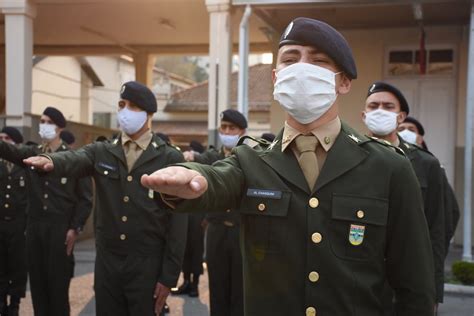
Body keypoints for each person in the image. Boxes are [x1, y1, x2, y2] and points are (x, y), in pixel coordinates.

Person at [139, 18, 435, 315]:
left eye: (318, 61)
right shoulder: (252, 159)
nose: (302, 69)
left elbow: (415, 288)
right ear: (276, 77)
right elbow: (219, 177)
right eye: (291, 60)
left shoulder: (388, 167)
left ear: (343, 82)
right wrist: (194, 178)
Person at [24, 81, 187, 316]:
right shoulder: (103, 150)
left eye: (132, 106)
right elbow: (76, 158)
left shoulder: (168, 157)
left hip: (146, 263)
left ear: (148, 114)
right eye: (121, 104)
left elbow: (177, 224)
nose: (124, 111)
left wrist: (168, 276)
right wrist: (53, 161)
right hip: (108, 262)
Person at [0, 107, 93, 316]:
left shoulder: (72, 158)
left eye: (48, 121)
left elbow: (85, 199)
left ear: (59, 127)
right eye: (41, 120)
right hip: (35, 229)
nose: (43, 124)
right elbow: (9, 150)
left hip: (60, 229)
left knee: (58, 289)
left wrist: (75, 228)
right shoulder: (33, 153)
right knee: (38, 288)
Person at [362, 81, 446, 308]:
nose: (380, 111)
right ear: (363, 115)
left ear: (401, 117)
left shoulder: (426, 163)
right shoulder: (350, 157)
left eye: (388, 106)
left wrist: (433, 291)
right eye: (373, 106)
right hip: (360, 278)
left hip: (407, 277)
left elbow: (436, 232)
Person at [179, 110, 245, 315]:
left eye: (231, 128)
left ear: (242, 131)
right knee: (217, 287)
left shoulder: (251, 158)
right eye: (223, 128)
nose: (226, 132)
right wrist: (189, 158)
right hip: (216, 231)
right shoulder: (212, 157)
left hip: (241, 233)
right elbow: (198, 161)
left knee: (240, 291)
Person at [398, 116, 460, 260]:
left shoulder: (432, 167)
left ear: (420, 139)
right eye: (401, 129)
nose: (406, 132)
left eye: (411, 129)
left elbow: (451, 211)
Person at [0, 127, 27, 316]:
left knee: (18, 265)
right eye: (0, 138)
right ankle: (1, 300)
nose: (3, 141)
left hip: (19, 225)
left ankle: (15, 302)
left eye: (6, 138)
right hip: (1, 222)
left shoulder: (24, 165)